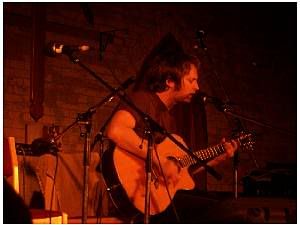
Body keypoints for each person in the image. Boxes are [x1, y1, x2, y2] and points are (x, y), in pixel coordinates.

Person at [105, 39, 245, 223]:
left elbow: (179, 173)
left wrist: (217, 158)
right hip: (142, 195)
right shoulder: (144, 99)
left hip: (163, 197)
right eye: (191, 80)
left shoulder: (169, 119)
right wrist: (159, 160)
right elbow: (115, 130)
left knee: (227, 205)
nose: (197, 87)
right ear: (170, 81)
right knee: (221, 210)